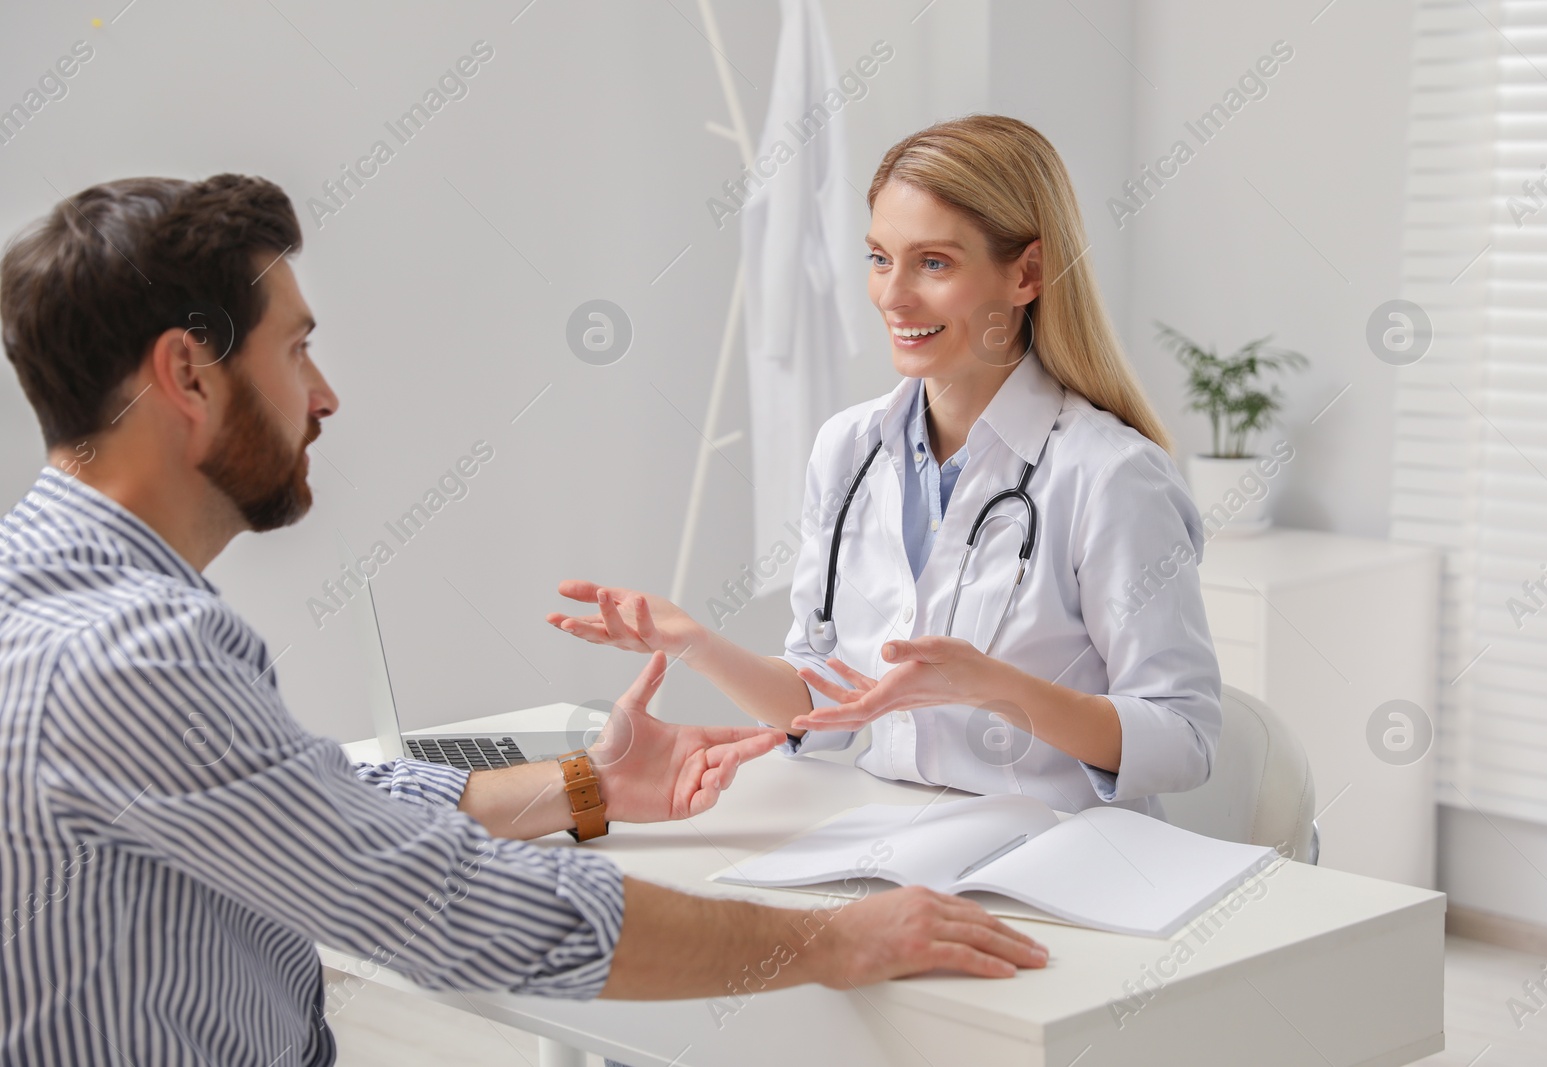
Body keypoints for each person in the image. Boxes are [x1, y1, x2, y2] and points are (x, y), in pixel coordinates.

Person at [0, 174, 1048, 1066]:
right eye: (296, 350)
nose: (323, 396)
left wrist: (589, 786)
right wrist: (827, 941)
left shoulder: (43, 591)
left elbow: (313, 805)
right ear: (189, 371)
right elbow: (449, 904)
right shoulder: (130, 654)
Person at [549, 114, 1222, 821]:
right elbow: (820, 692)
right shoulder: (847, 448)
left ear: (1026, 272)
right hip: (893, 835)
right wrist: (694, 642)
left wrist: (991, 686)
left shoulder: (1111, 476)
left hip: (1060, 856)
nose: (893, 295)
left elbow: (1185, 737)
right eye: (879, 257)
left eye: (934, 263)